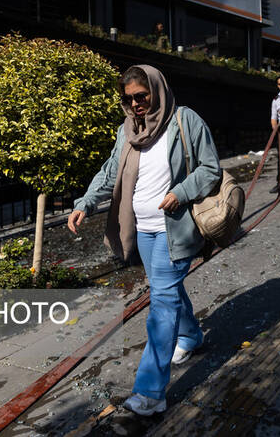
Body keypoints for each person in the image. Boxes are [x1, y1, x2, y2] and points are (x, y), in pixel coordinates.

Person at [68, 65, 221, 416]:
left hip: (176, 228)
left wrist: (181, 192)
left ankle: (151, 392)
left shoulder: (185, 120)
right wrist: (85, 204)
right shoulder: (128, 131)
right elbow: (110, 173)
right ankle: (192, 336)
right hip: (143, 230)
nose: (136, 104)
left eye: (142, 95)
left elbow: (210, 168)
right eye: (129, 98)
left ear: (157, 90)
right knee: (164, 290)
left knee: (161, 304)